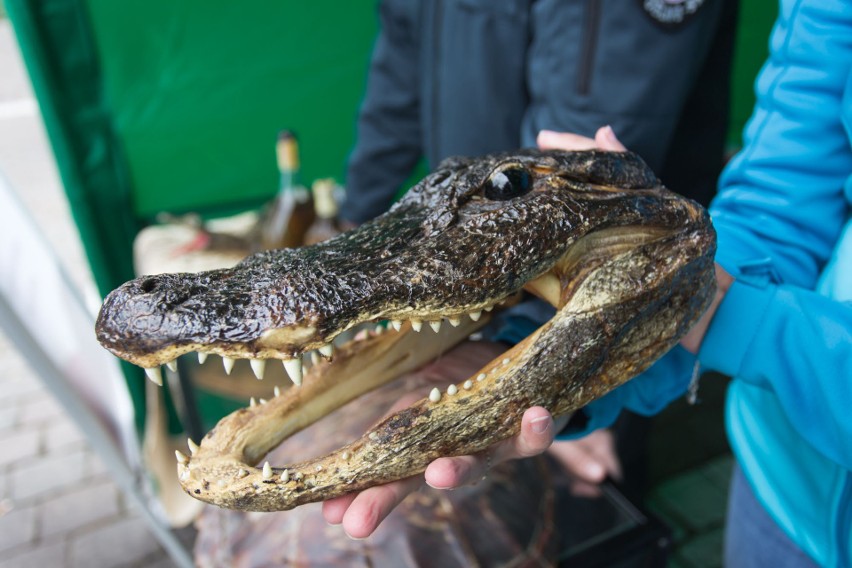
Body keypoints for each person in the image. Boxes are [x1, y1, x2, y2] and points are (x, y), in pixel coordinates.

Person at [329, 1, 852, 565]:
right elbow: (785, 193)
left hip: (614, 305)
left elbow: (571, 170)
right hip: (781, 484)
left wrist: (707, 308)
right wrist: (524, 349)